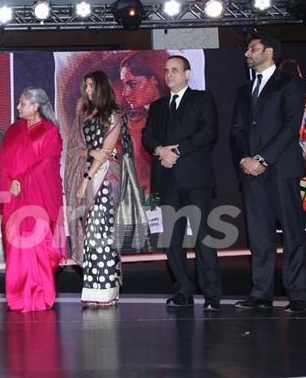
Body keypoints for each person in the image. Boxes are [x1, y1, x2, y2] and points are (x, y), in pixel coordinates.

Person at [231, 33, 306, 314]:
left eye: (253, 48)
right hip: (251, 172)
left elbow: (290, 126)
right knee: (259, 235)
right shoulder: (244, 90)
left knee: (292, 232)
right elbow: (238, 129)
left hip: (282, 168)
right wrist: (245, 158)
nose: (247, 53)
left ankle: (298, 295)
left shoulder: (289, 82)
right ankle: (261, 293)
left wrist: (262, 158)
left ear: (270, 51)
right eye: (248, 49)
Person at [142, 56, 222, 311]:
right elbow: (147, 137)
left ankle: (211, 295)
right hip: (167, 181)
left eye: (175, 70)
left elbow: (208, 132)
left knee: (202, 238)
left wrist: (175, 152)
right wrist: (159, 150)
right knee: (173, 240)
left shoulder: (202, 99)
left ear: (187, 74)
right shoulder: (157, 106)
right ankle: (183, 290)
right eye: (166, 70)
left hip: (195, 179)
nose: (169, 74)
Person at [0, 87, 66, 312]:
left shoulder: (49, 131)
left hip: (37, 198)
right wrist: (10, 183)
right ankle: (18, 295)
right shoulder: (13, 130)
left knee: (36, 245)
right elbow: (2, 161)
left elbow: (47, 164)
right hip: (15, 198)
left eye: (23, 103)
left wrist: (23, 181)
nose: (18, 107)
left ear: (36, 106)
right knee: (17, 247)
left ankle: (40, 295)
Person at [75, 71, 124, 306]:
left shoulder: (113, 115)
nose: (88, 91)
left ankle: (107, 292)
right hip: (93, 173)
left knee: (100, 232)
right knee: (92, 235)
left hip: (105, 178)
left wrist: (86, 178)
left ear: (102, 87)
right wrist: (90, 153)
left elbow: (106, 152)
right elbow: (83, 150)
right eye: (86, 86)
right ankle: (94, 291)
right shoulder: (87, 115)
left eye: (92, 86)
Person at [118, 52, 168, 201]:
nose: (125, 93)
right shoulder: (129, 122)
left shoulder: (176, 114)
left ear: (154, 80)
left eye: (132, 84)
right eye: (123, 84)